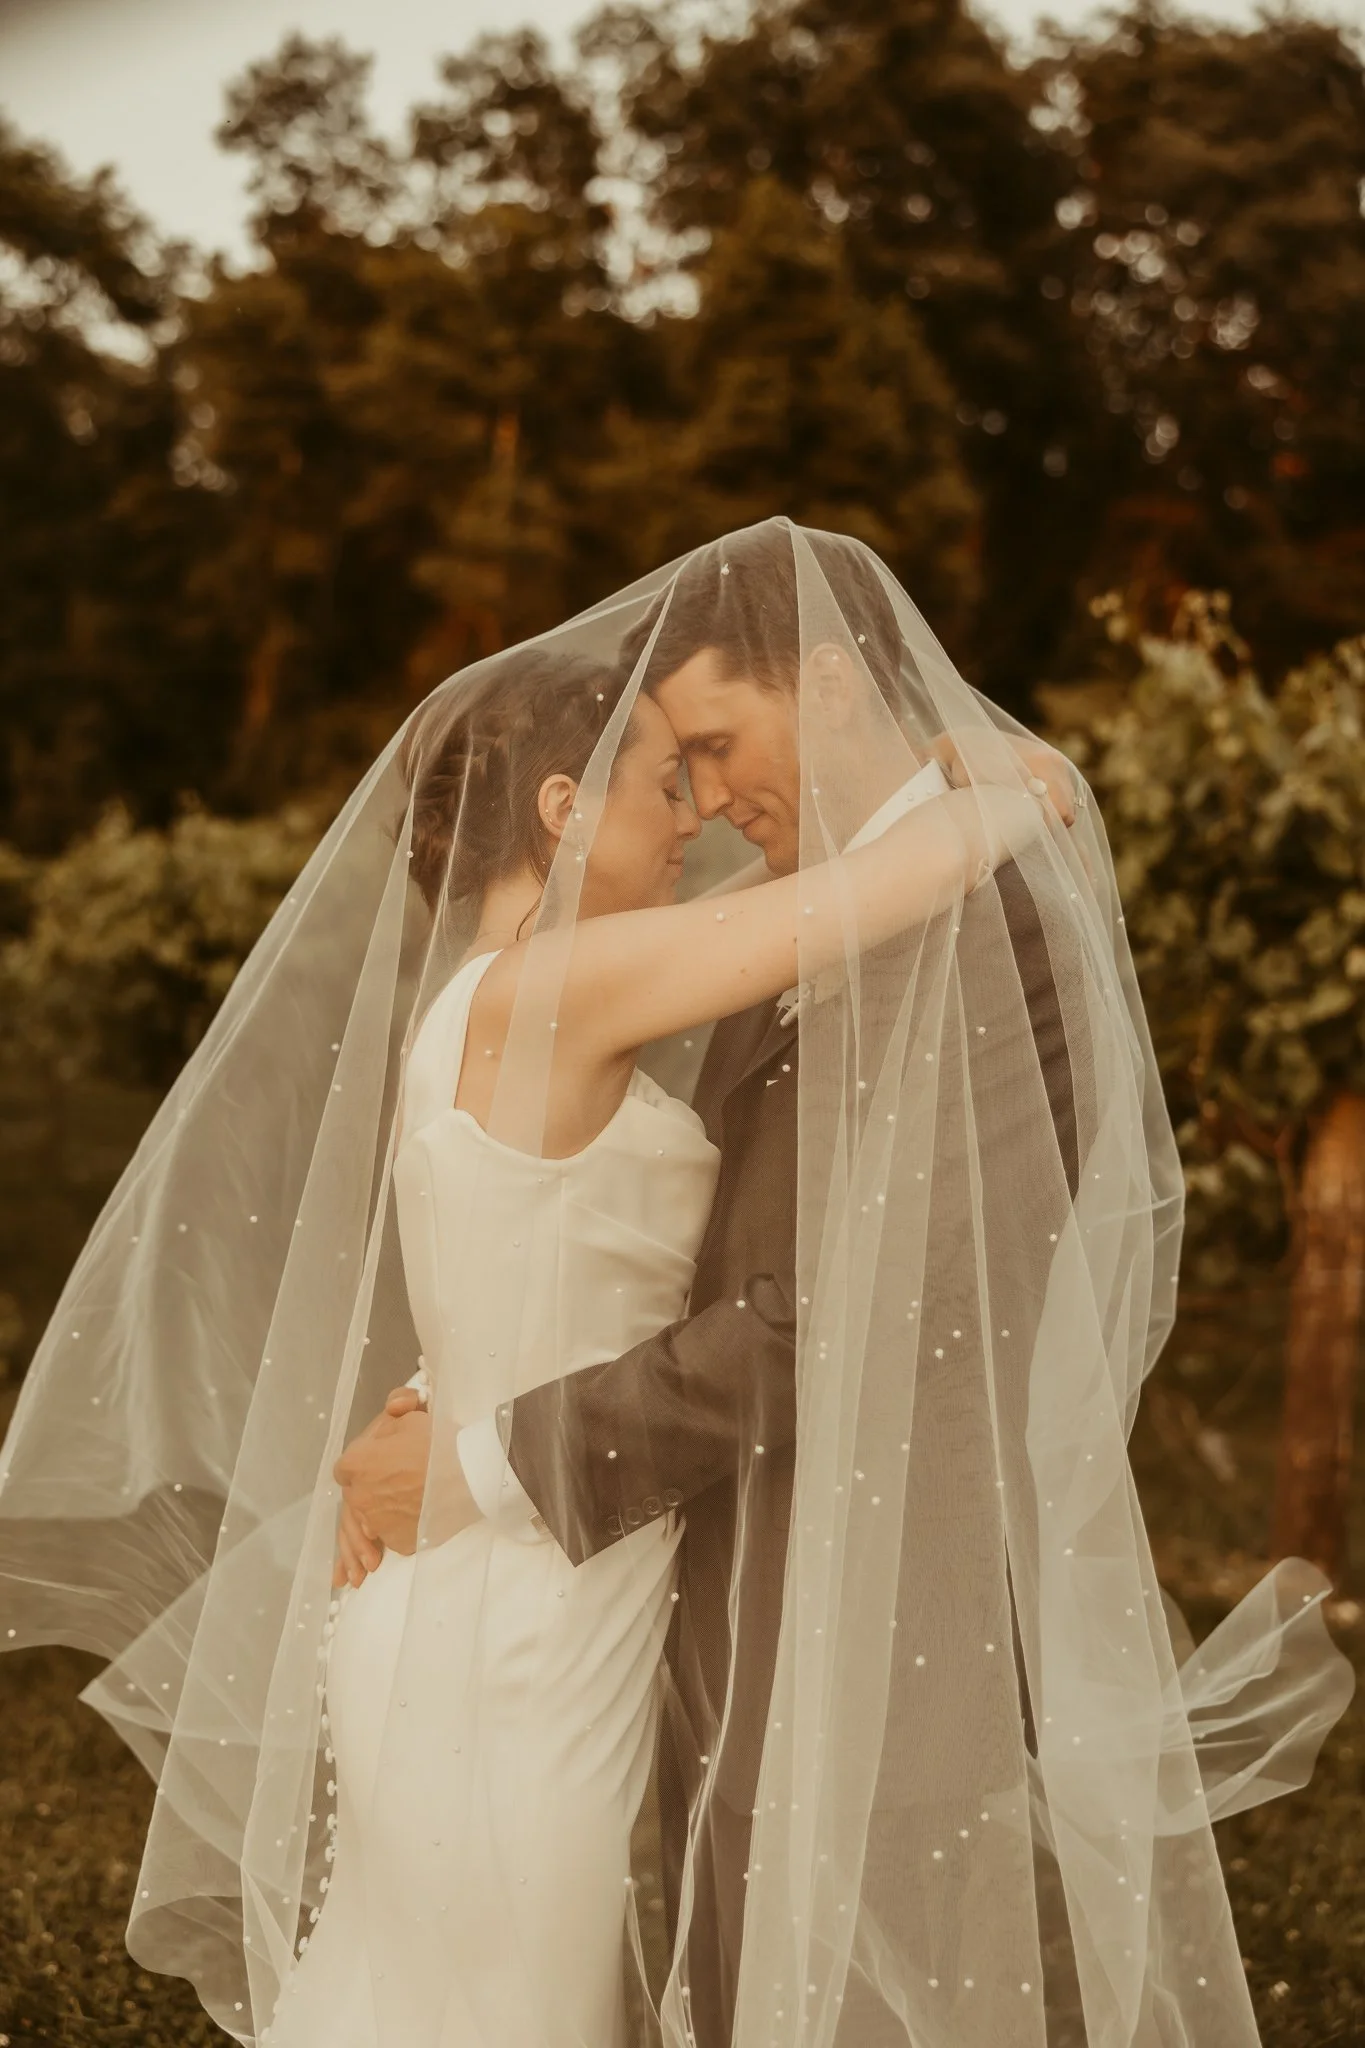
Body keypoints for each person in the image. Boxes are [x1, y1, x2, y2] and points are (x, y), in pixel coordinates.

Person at [0, 520, 1351, 2048]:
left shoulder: (957, 936)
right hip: (538, 1593)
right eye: (672, 773)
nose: (702, 807)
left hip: (704, 1575)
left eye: (712, 746)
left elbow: (830, 1314)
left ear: (830, 684)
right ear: (564, 807)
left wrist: (479, 1426)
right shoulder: (630, 967)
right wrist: (1012, 790)